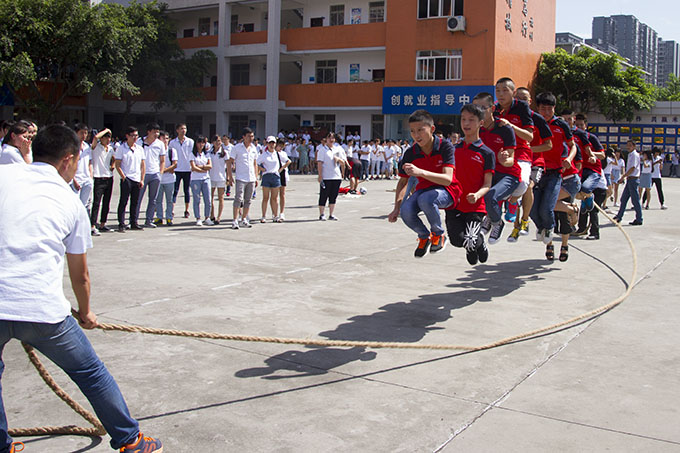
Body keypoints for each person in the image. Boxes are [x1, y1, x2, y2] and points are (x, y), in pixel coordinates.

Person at [0, 124, 162, 453]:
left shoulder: (3, 177)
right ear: (68, 160)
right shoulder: (70, 201)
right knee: (89, 371)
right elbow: (80, 275)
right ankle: (130, 440)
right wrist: (86, 312)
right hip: (42, 311)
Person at [387, 109, 462, 257]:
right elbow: (403, 182)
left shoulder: (445, 147)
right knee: (406, 210)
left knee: (425, 199)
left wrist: (420, 172)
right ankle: (423, 236)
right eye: (413, 131)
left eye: (420, 130)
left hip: (448, 191)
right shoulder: (411, 152)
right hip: (424, 191)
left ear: (432, 129)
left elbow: (447, 179)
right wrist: (396, 207)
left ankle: (438, 234)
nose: (416, 135)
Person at [444, 104, 494, 265]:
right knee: (457, 241)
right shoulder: (452, 150)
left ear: (481, 122)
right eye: (463, 119)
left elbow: (487, 184)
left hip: (475, 206)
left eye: (471, 120)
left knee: (471, 241)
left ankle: (476, 240)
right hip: (455, 205)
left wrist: (477, 195)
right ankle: (473, 241)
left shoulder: (487, 153)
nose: (466, 123)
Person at [508, 87, 553, 241]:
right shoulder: (508, 116)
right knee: (515, 190)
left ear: (530, 101)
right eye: (518, 98)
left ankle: (525, 221)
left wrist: (528, 148)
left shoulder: (537, 119)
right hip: (515, 160)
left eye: (525, 99)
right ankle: (515, 227)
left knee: (527, 185)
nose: (521, 101)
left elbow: (548, 145)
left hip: (535, 162)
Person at [476, 90, 521, 244]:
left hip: (509, 175)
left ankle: (497, 223)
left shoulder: (504, 128)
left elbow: (511, 160)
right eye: (476, 109)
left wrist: (503, 160)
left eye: (483, 108)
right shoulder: (477, 130)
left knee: (491, 196)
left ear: (492, 109)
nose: (479, 112)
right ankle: (490, 218)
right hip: (489, 174)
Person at [532, 92, 574, 254]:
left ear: (554, 109)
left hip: (555, 173)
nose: (546, 112)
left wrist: (569, 158)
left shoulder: (561, 125)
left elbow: (573, 146)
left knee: (546, 208)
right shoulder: (533, 123)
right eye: (543, 109)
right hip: (536, 170)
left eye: (550, 109)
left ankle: (550, 229)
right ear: (538, 108)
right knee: (533, 209)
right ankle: (542, 228)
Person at [493, 78, 534, 227]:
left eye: (505, 90)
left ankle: (513, 201)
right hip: (500, 153)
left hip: (521, 153)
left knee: (522, 183)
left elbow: (530, 136)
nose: (501, 94)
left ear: (513, 92)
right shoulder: (494, 110)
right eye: (498, 90)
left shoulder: (522, 108)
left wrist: (511, 126)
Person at [114, 126, 146, 232]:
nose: (135, 138)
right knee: (123, 201)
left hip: (137, 179)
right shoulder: (121, 148)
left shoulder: (139, 149)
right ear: (127, 136)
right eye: (133, 136)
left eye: (136, 135)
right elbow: (117, 165)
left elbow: (142, 165)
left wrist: (142, 179)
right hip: (127, 178)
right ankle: (121, 223)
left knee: (135, 202)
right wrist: (124, 177)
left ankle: (134, 222)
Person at [228, 127, 258, 229]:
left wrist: (256, 176)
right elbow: (230, 161)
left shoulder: (254, 148)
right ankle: (235, 220)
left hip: (251, 178)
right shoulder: (237, 148)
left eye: (252, 136)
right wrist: (230, 176)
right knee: (238, 199)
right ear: (244, 137)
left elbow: (255, 163)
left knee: (248, 200)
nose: (251, 138)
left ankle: (244, 219)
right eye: (249, 136)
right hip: (241, 177)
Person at [136, 123, 165, 229]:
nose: (156, 134)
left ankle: (149, 220)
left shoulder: (160, 144)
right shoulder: (139, 142)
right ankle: (134, 220)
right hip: (142, 174)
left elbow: (162, 160)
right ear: (148, 132)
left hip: (155, 174)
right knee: (138, 198)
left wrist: (160, 173)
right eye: (154, 132)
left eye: (157, 132)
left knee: (153, 199)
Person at [72, 124, 96, 236]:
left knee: (85, 206)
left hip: (86, 179)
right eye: (82, 132)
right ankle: (73, 228)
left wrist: (90, 177)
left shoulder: (87, 147)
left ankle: (83, 227)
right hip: (76, 180)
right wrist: (74, 180)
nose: (84, 135)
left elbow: (89, 163)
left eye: (86, 133)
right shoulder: (71, 146)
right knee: (75, 205)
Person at [316, 132, 347, 221]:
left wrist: (339, 160)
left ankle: (331, 214)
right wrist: (320, 175)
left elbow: (343, 162)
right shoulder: (322, 150)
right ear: (326, 139)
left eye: (333, 138)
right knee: (324, 195)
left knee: (333, 196)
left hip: (336, 176)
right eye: (329, 138)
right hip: (326, 176)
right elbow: (319, 163)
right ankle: (322, 214)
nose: (331, 140)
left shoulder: (337, 149)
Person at [90, 128, 115, 232]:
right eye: (106, 138)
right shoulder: (96, 147)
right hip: (98, 177)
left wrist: (112, 165)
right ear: (102, 138)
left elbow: (114, 158)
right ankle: (92, 225)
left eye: (109, 138)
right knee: (96, 203)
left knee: (106, 202)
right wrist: (106, 130)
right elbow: (95, 137)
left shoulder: (110, 148)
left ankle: (103, 224)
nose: (108, 140)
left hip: (108, 177)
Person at [613, 140, 643, 226]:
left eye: (630, 145)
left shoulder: (634, 155)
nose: (628, 147)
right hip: (630, 179)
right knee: (624, 199)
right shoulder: (630, 154)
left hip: (633, 179)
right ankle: (619, 216)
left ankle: (639, 218)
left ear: (634, 146)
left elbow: (632, 168)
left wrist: (623, 177)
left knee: (635, 200)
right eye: (627, 145)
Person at [169, 123, 194, 219]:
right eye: (181, 129)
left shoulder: (190, 142)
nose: (183, 130)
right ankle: (172, 209)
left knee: (186, 190)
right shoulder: (172, 143)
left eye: (185, 128)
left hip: (187, 169)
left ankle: (187, 210)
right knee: (174, 190)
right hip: (177, 169)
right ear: (177, 130)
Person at [257, 136, 282, 222]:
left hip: (275, 176)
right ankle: (263, 216)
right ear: (267, 144)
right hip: (266, 176)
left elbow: (287, 161)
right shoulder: (264, 155)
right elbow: (256, 163)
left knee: (274, 198)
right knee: (265, 197)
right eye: (270, 143)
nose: (272, 145)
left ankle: (275, 215)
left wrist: (280, 170)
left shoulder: (277, 154)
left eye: (273, 143)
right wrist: (261, 169)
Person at [189, 136, 212, 226]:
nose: (201, 145)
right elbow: (193, 167)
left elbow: (210, 166)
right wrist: (203, 168)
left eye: (203, 143)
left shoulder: (206, 154)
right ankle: (198, 218)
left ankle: (207, 217)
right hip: (195, 179)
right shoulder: (192, 154)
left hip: (206, 178)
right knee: (197, 199)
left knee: (208, 199)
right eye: (199, 142)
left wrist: (200, 167)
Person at [155, 130, 177, 225]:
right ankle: (159, 217)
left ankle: (169, 217)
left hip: (169, 179)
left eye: (167, 138)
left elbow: (174, 165)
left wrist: (164, 170)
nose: (165, 140)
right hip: (159, 179)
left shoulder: (172, 151)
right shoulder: (156, 150)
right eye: (163, 138)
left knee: (170, 200)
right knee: (158, 200)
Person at [208, 135, 228, 224]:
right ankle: (212, 215)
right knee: (210, 198)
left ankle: (219, 217)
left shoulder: (224, 153)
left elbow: (228, 166)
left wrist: (228, 177)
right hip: (211, 177)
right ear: (212, 142)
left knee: (221, 198)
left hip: (221, 178)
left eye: (219, 141)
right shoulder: (209, 153)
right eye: (216, 141)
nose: (218, 142)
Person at [275, 138, 291, 221]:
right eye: (279, 146)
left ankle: (281, 212)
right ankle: (274, 212)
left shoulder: (283, 153)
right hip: (274, 174)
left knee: (282, 194)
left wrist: (281, 168)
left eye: (282, 146)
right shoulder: (272, 153)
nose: (280, 148)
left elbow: (288, 161)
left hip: (282, 174)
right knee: (274, 195)